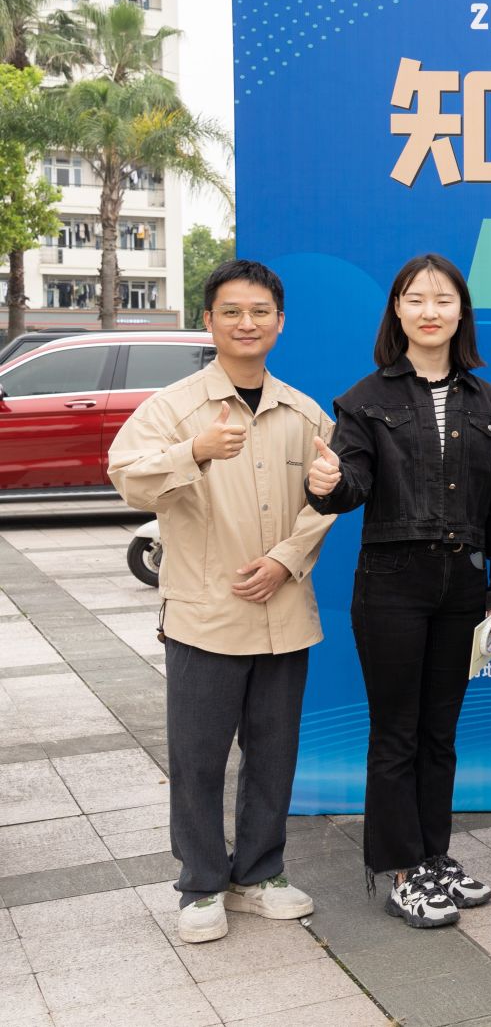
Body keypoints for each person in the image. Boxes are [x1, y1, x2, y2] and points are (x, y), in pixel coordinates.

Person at [107, 259, 337, 945]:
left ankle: (259, 874)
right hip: (206, 614)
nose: (246, 323)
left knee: (273, 754)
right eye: (231, 311)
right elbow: (125, 477)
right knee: (199, 759)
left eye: (260, 311)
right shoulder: (174, 409)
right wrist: (193, 451)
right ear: (208, 320)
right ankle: (202, 883)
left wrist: (286, 559)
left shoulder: (303, 412)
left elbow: (329, 496)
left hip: (284, 611)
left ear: (280, 322)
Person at [308, 254, 491, 928]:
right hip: (392, 584)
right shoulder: (364, 400)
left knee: (440, 733)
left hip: (463, 584)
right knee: (397, 732)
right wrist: (327, 485)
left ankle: (434, 856)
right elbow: (351, 485)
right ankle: (401, 871)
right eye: (415, 299)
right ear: (397, 311)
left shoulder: (489, 403)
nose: (430, 311)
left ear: (461, 312)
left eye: (443, 299)